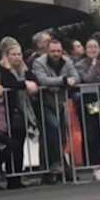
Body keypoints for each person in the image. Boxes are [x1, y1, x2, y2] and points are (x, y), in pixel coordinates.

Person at [30, 37, 77, 184]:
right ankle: (54, 165)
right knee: (53, 129)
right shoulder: (39, 62)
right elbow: (42, 80)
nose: (56, 54)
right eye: (53, 51)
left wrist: (71, 80)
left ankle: (58, 166)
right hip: (45, 102)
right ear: (47, 51)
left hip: (61, 102)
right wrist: (63, 81)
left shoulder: (67, 61)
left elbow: (76, 76)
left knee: (61, 135)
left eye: (58, 51)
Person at [0, 38, 36, 189]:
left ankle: (16, 178)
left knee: (19, 144)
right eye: (14, 54)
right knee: (9, 145)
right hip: (4, 112)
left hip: (22, 111)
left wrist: (28, 82)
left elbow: (34, 80)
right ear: (6, 55)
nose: (17, 57)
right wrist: (24, 84)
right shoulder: (0, 69)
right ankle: (0, 172)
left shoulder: (24, 69)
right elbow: (7, 83)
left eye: (19, 54)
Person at [73, 38, 100, 180]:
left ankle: (98, 165)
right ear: (85, 49)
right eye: (89, 47)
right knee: (90, 133)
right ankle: (92, 165)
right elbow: (88, 79)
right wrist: (94, 65)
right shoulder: (80, 64)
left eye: (95, 47)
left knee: (99, 132)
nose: (93, 50)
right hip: (88, 101)